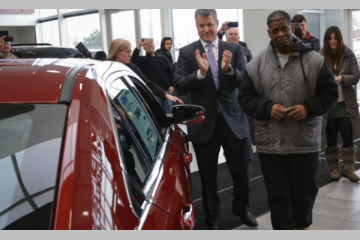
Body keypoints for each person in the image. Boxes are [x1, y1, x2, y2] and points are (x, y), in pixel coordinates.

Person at [239, 10, 338, 230]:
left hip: (304, 142)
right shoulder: (255, 65)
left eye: (284, 28)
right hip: (271, 146)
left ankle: (303, 228)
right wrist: (266, 108)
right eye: (276, 30)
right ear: (269, 33)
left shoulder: (314, 60)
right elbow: (244, 99)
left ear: (292, 27)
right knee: (278, 198)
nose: (281, 33)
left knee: (303, 196)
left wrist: (307, 108)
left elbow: (331, 94)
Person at [175, 9, 257, 230]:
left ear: (217, 23)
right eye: (201, 26)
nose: (206, 30)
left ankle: (242, 209)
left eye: (210, 25)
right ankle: (212, 217)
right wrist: (200, 74)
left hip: (233, 121)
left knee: (242, 171)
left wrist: (229, 70)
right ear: (196, 26)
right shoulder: (186, 52)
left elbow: (245, 82)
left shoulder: (234, 48)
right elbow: (179, 84)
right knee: (208, 177)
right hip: (204, 124)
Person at [319, 26, 360, 182]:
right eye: (330, 38)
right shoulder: (320, 55)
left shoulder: (348, 54)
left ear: (340, 39)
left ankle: (349, 169)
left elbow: (356, 76)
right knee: (330, 136)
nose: (333, 41)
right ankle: (334, 168)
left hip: (345, 103)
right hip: (329, 104)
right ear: (327, 40)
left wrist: (343, 79)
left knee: (347, 134)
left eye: (335, 38)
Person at [106, 38, 183, 106]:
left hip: (162, 92)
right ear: (116, 52)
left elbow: (148, 83)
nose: (130, 55)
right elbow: (135, 58)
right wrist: (139, 45)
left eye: (130, 51)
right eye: (127, 52)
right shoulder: (106, 68)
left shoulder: (132, 68)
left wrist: (166, 93)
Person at [131, 39, 175, 114]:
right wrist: (139, 45)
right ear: (144, 48)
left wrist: (173, 85)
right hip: (153, 93)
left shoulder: (163, 58)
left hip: (167, 91)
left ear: (154, 46)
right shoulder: (142, 60)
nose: (149, 45)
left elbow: (170, 73)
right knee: (157, 115)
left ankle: (170, 126)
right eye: (146, 45)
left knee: (169, 114)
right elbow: (133, 59)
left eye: (150, 43)